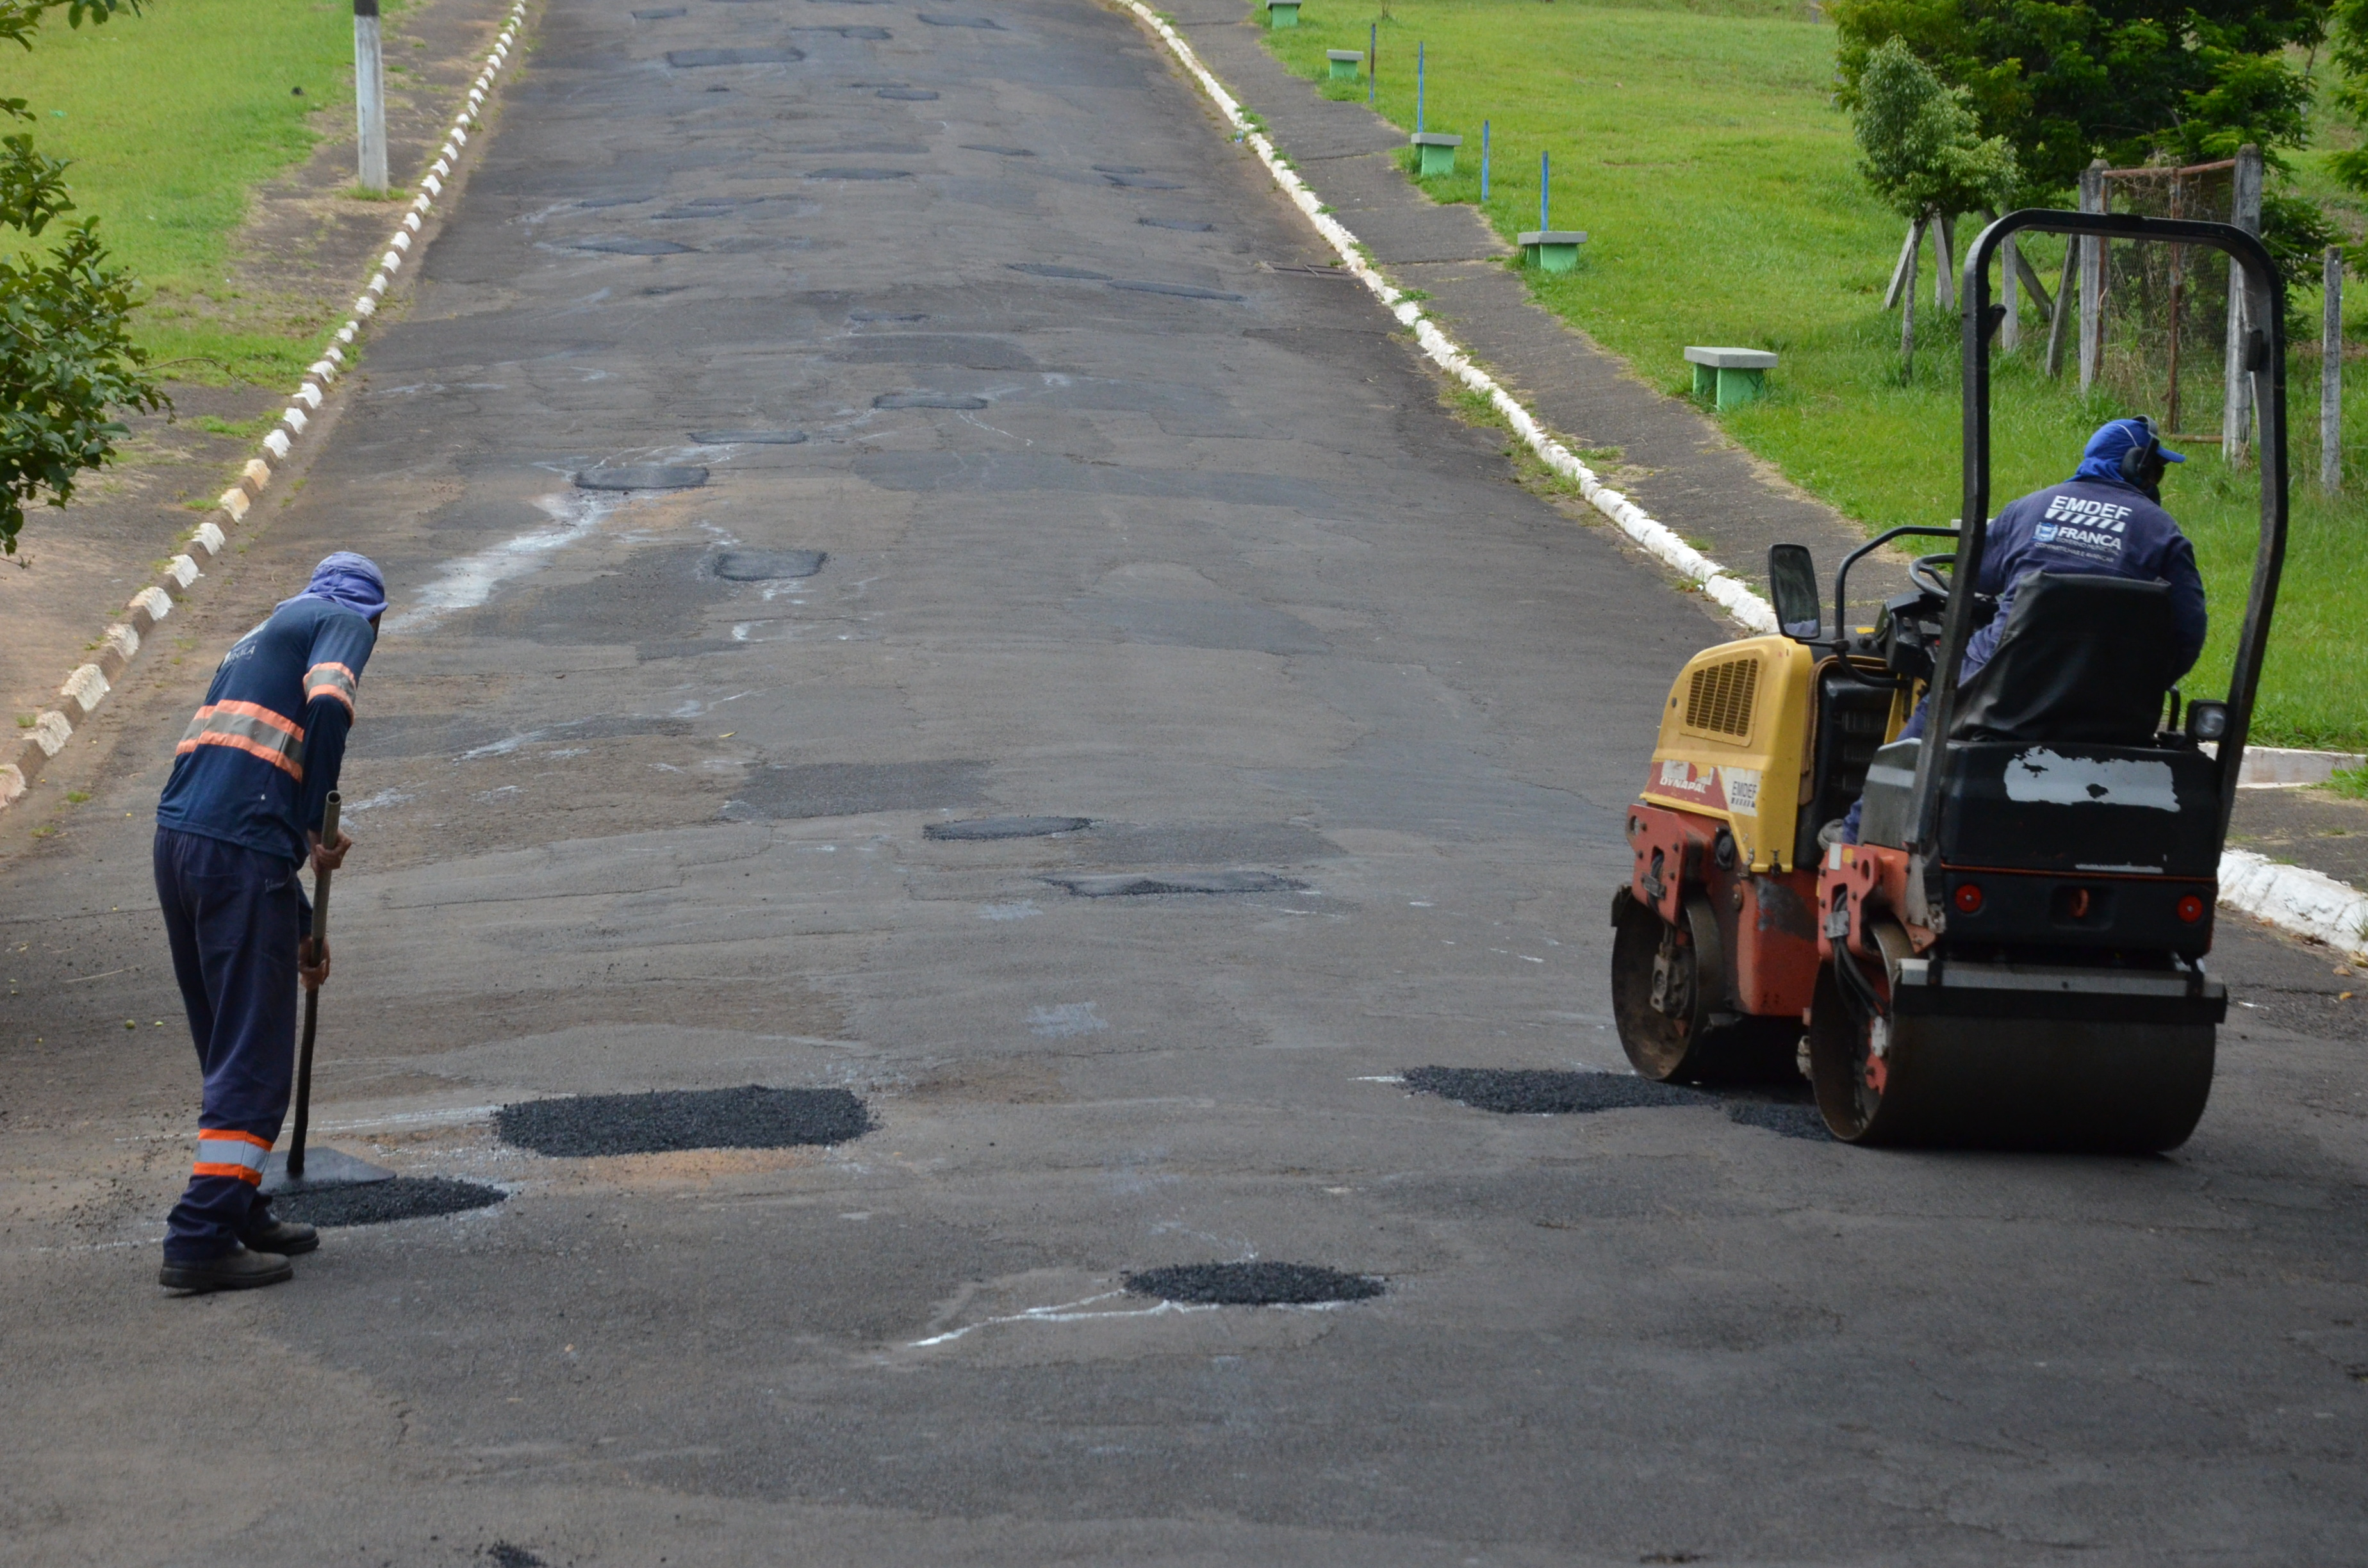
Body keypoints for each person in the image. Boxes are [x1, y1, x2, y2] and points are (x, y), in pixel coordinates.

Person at [153, 553, 385, 1293]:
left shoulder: (257, 637)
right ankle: (199, 1235)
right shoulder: (346, 621)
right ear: (373, 618)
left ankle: (241, 1207)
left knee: (227, 1040)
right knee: (253, 1062)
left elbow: (239, 794)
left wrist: (301, 926)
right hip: (237, 853)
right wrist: (321, 819)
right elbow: (327, 705)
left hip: (183, 844)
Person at [1830, 416, 2207, 845]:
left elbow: (1974, 585)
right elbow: (2188, 633)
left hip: (2002, 693)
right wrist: (2139, 685)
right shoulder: (2164, 532)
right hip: (2116, 712)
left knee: (1923, 729)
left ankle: (1855, 841)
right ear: (2135, 465)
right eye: (2156, 470)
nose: (2157, 481)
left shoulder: (2027, 510)